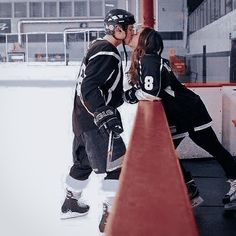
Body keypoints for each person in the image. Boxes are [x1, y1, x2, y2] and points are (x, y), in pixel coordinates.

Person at [124, 27, 236, 210]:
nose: (133, 34)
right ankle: (189, 190)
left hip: (189, 111)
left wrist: (129, 95)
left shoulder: (150, 59)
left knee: (212, 147)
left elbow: (151, 92)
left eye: (137, 33)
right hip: (178, 113)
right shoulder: (149, 60)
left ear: (144, 41)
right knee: (164, 153)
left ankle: (227, 182)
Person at [60, 9, 135, 233]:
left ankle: (71, 202)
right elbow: (89, 87)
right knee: (118, 167)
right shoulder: (107, 52)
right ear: (117, 30)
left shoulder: (98, 47)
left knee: (83, 163)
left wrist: (124, 95)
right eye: (130, 28)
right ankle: (112, 214)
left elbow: (99, 85)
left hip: (82, 119)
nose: (133, 32)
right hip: (96, 121)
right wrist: (103, 112)